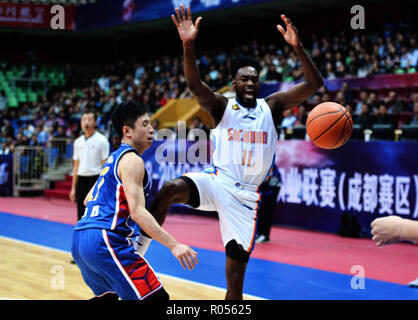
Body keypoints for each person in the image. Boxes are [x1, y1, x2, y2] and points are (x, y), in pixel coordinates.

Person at [134, 5, 323, 300]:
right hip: (217, 182)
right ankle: (137, 254)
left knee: (235, 285)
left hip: (246, 199)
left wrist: (298, 48)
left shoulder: (271, 106)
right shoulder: (222, 106)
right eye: (244, 79)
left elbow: (314, 84)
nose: (250, 83)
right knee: (170, 189)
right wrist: (189, 44)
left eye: (254, 79)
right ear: (234, 83)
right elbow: (195, 85)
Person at [71, 102, 198, 300]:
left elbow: (88, 199)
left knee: (109, 297)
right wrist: (174, 245)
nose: (151, 128)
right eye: (145, 124)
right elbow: (138, 212)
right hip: (104, 241)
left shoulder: (114, 159)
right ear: (127, 131)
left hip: (80, 238)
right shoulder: (132, 160)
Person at [70, 110, 110, 221]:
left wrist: (105, 187)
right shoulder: (77, 142)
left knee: (95, 214)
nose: (86, 122)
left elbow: (106, 165)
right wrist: (73, 188)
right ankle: (82, 237)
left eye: (89, 119)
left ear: (95, 122)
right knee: (81, 215)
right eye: (84, 120)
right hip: (81, 180)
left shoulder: (102, 140)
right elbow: (76, 166)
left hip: (95, 180)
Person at [255, 166, 281, 244]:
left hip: (271, 189)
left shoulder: (268, 161)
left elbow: (273, 178)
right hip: (262, 190)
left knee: (266, 212)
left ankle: (264, 235)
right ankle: (258, 233)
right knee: (259, 211)